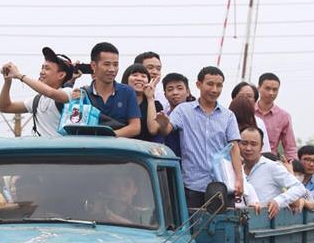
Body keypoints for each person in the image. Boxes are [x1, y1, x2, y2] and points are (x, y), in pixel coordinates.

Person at [155, 66, 243, 208]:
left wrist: (239, 179)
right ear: (198, 84)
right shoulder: (183, 110)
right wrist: (163, 123)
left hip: (222, 184)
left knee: (223, 227)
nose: (214, 89)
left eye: (219, 85)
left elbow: (234, 148)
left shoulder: (228, 116)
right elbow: (167, 130)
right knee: (192, 227)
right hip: (191, 185)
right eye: (210, 84)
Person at [0, 47, 74, 138]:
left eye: (47, 69)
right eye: (42, 68)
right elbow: (4, 107)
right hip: (41, 151)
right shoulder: (36, 100)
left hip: (61, 151)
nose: (42, 72)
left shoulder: (69, 93)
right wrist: (8, 81)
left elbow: (50, 93)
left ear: (61, 75)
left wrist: (19, 75)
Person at [237, 126, 308, 218]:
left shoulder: (272, 167)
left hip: (266, 225)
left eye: (253, 144)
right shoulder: (236, 170)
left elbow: (299, 188)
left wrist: (278, 201)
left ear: (261, 147)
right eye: (244, 143)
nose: (248, 148)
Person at [79, 42, 141, 138]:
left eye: (115, 65)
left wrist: (108, 136)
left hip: (118, 150)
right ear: (93, 65)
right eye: (107, 64)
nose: (112, 69)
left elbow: (135, 127)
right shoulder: (82, 94)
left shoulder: (127, 92)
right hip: (89, 150)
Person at [253, 72, 297, 160]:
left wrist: (293, 169)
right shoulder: (247, 111)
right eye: (267, 88)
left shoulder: (284, 116)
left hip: (271, 162)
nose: (271, 93)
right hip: (245, 163)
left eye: (275, 89)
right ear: (258, 88)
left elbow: (290, 148)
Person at [120, 63, 162, 142]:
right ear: (126, 79)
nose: (139, 79)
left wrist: (150, 98)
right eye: (135, 75)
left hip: (146, 151)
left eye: (143, 76)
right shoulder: (118, 102)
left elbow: (153, 130)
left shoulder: (156, 105)